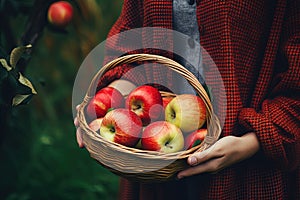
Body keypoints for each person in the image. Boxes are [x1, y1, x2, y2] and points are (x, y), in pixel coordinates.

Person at [74, 0, 300, 199]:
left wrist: (250, 143)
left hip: (249, 171)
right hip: (154, 160)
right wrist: (109, 102)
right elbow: (132, 43)